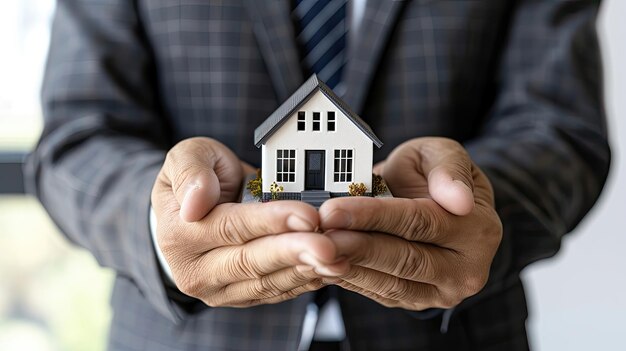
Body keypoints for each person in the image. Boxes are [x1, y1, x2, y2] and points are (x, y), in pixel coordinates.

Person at [26, 1, 610, 350]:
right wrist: (165, 223)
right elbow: (76, 139)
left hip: (456, 337)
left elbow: (561, 132)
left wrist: (472, 210)